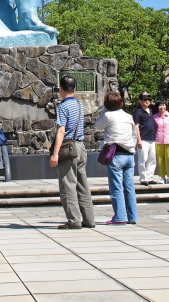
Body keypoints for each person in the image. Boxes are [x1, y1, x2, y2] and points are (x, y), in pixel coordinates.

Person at [49, 75, 95, 229]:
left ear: (61, 89)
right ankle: (89, 219)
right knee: (82, 183)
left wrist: (55, 153)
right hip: (81, 146)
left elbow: (61, 130)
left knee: (68, 184)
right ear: (74, 89)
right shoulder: (79, 104)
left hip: (68, 148)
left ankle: (74, 220)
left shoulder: (63, 107)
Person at [95, 91, 137, 225]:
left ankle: (120, 216)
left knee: (116, 187)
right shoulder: (129, 116)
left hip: (116, 155)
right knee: (129, 187)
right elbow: (134, 135)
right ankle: (132, 216)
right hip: (129, 155)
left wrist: (104, 110)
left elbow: (97, 126)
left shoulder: (108, 115)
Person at [133, 92, 157, 185]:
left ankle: (149, 177)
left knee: (152, 159)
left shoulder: (151, 111)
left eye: (148, 100)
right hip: (143, 139)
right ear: (140, 101)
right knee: (143, 159)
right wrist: (138, 139)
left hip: (152, 139)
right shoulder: (138, 112)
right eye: (145, 99)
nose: (147, 101)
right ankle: (143, 178)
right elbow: (136, 126)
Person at [153, 100, 169, 185]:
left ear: (166, 106)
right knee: (160, 160)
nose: (162, 107)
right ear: (157, 107)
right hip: (158, 141)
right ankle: (162, 177)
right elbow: (154, 129)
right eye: (160, 105)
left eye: (163, 105)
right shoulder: (155, 117)